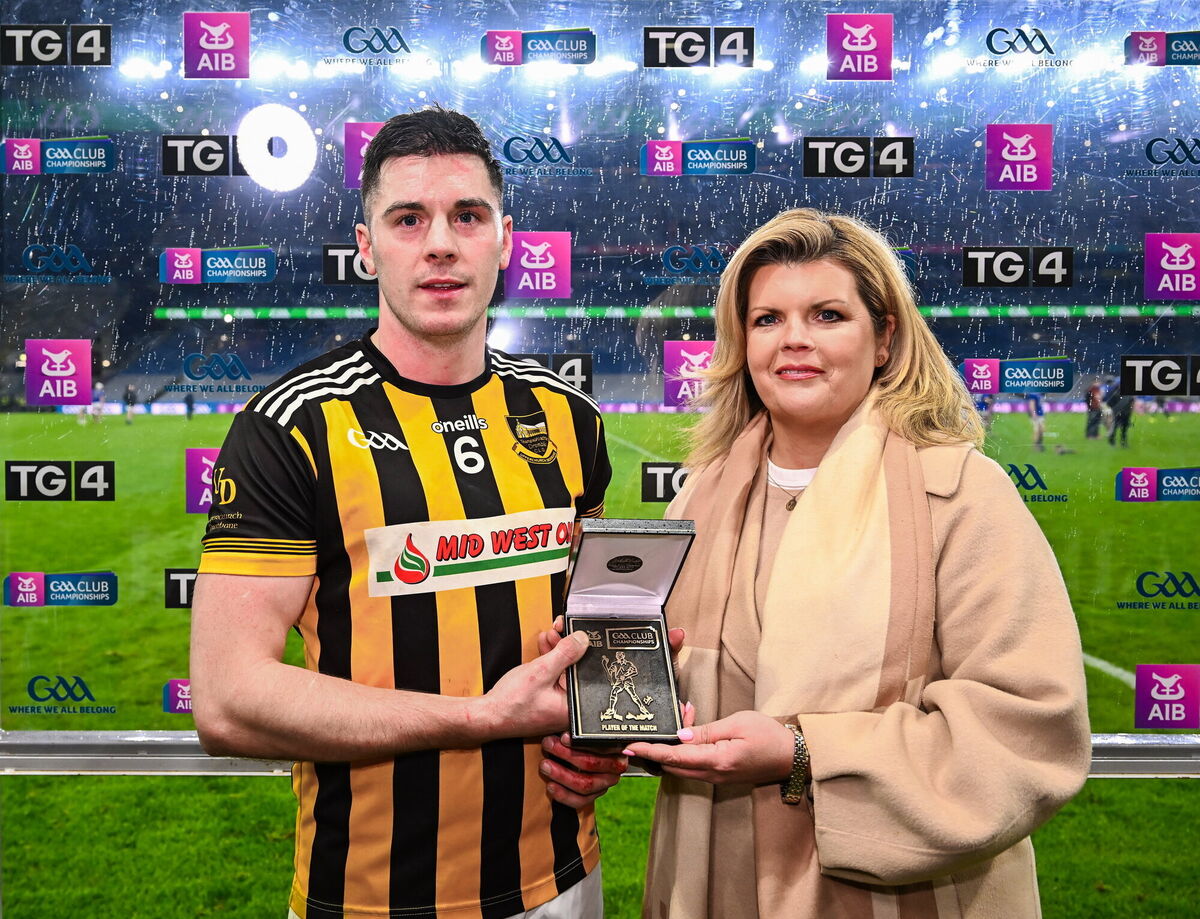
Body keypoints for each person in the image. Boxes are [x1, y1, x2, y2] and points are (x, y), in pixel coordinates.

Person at [190, 107, 612, 919]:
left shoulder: (569, 417)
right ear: (366, 245)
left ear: (506, 240)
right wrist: (483, 719)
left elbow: (584, 633)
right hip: (369, 896)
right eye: (408, 218)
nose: (441, 243)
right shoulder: (292, 426)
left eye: (468, 216)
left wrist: (604, 731)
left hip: (564, 879)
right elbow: (227, 697)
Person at [610, 209, 1089, 918]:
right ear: (743, 343)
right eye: (767, 319)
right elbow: (673, 685)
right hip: (714, 881)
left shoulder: (959, 492)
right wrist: (610, 687)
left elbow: (1027, 728)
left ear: (885, 338)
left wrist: (805, 752)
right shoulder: (697, 498)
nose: (794, 338)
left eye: (827, 315)